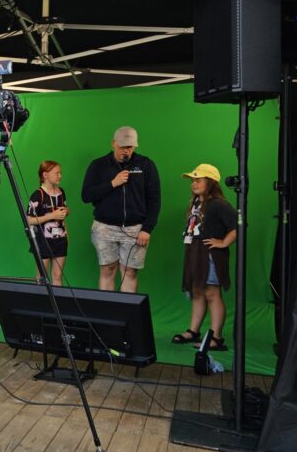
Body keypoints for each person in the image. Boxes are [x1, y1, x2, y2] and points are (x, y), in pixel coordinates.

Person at [81, 126, 160, 293]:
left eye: (130, 147)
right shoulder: (98, 165)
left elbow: (155, 200)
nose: (127, 150)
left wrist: (147, 229)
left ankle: (127, 310)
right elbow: (86, 195)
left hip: (135, 228)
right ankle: (107, 309)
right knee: (107, 270)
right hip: (104, 228)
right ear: (113, 143)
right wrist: (112, 184)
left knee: (129, 272)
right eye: (123, 146)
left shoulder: (146, 165)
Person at [173, 164, 237, 351]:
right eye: (193, 180)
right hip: (195, 253)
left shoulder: (218, 204)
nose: (194, 183)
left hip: (210, 255)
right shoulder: (196, 203)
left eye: (198, 180)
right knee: (197, 291)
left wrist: (223, 242)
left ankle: (216, 337)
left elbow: (237, 226)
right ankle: (193, 331)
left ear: (210, 182)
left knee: (211, 293)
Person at [25, 160, 68, 286]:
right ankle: (40, 299)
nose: (60, 176)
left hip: (60, 240)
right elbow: (29, 220)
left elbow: (62, 214)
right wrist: (51, 216)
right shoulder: (38, 195)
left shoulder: (61, 192)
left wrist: (67, 211)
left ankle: (58, 299)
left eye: (60, 173)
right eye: (57, 173)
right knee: (42, 277)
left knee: (57, 276)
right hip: (43, 241)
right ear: (45, 175)